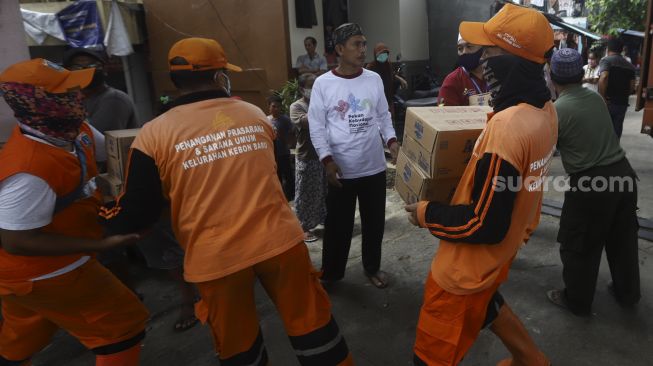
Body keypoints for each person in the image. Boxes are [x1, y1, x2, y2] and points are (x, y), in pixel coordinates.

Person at [100, 37, 353, 366]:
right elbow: (276, 170)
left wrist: (104, 217)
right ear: (220, 75)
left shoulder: (153, 134)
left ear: (174, 79)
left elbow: (138, 213)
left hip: (217, 258)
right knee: (314, 327)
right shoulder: (255, 115)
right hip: (280, 242)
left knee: (239, 345)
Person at [405, 4, 556, 365]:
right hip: (500, 254)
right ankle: (531, 360)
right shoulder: (545, 111)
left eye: (488, 52)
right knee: (488, 303)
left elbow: (482, 223)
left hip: (463, 272)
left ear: (514, 59)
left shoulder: (507, 128)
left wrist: (426, 213)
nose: (479, 60)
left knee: (431, 356)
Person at [0, 58, 148, 365]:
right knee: (121, 325)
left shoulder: (74, 130)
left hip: (25, 278)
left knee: (27, 328)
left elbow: (113, 148)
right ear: (35, 102)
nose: (77, 96)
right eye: (65, 92)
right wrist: (101, 245)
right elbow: (17, 241)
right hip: (48, 271)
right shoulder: (28, 169)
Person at [546, 48, 640, 316]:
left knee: (580, 245)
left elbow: (546, 149)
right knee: (623, 241)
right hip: (624, 175)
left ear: (552, 78)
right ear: (581, 74)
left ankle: (576, 301)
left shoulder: (556, 111)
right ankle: (627, 293)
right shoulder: (596, 98)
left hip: (591, 185)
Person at [308, 23, 399, 289]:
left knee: (374, 223)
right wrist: (327, 160)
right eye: (356, 44)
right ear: (339, 49)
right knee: (338, 226)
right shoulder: (323, 84)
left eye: (363, 44)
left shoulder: (373, 79)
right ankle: (332, 273)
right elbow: (317, 126)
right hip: (341, 170)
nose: (362, 50)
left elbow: (383, 115)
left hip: (373, 166)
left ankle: (372, 267)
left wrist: (391, 141)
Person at [63, 48, 139, 133]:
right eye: (77, 67)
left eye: (93, 66)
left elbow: (96, 140)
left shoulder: (113, 98)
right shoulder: (73, 100)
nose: (85, 71)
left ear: (105, 70)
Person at [290, 73, 327, 243]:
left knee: (321, 191)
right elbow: (307, 122)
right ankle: (302, 227)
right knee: (304, 193)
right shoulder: (296, 107)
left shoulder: (320, 104)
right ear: (301, 88)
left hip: (323, 155)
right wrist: (320, 108)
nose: (314, 90)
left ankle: (321, 219)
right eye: (311, 86)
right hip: (307, 157)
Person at [598, 37, 637, 139]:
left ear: (608, 49)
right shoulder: (630, 66)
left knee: (604, 131)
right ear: (621, 49)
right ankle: (615, 152)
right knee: (617, 130)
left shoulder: (606, 60)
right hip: (622, 103)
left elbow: (604, 77)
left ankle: (605, 153)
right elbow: (632, 87)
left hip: (608, 102)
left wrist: (602, 98)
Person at [437, 34, 488, 106]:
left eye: (469, 47)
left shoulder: (498, 74)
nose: (464, 52)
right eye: (460, 48)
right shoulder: (453, 80)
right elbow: (444, 114)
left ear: (483, 50)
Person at [366, 42, 407, 113]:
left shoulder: (388, 65)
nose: (383, 56)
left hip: (389, 98)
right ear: (376, 54)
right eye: (381, 53)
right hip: (377, 101)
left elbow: (392, 74)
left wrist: (401, 79)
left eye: (385, 53)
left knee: (390, 120)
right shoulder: (371, 66)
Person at [267, 95, 295, 201]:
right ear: (269, 107)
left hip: (283, 153)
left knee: (288, 175)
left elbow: (292, 133)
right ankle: (280, 196)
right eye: (274, 106)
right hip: (272, 154)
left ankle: (291, 196)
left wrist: (289, 144)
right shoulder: (266, 119)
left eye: (278, 107)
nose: (276, 109)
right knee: (276, 176)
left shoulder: (285, 120)